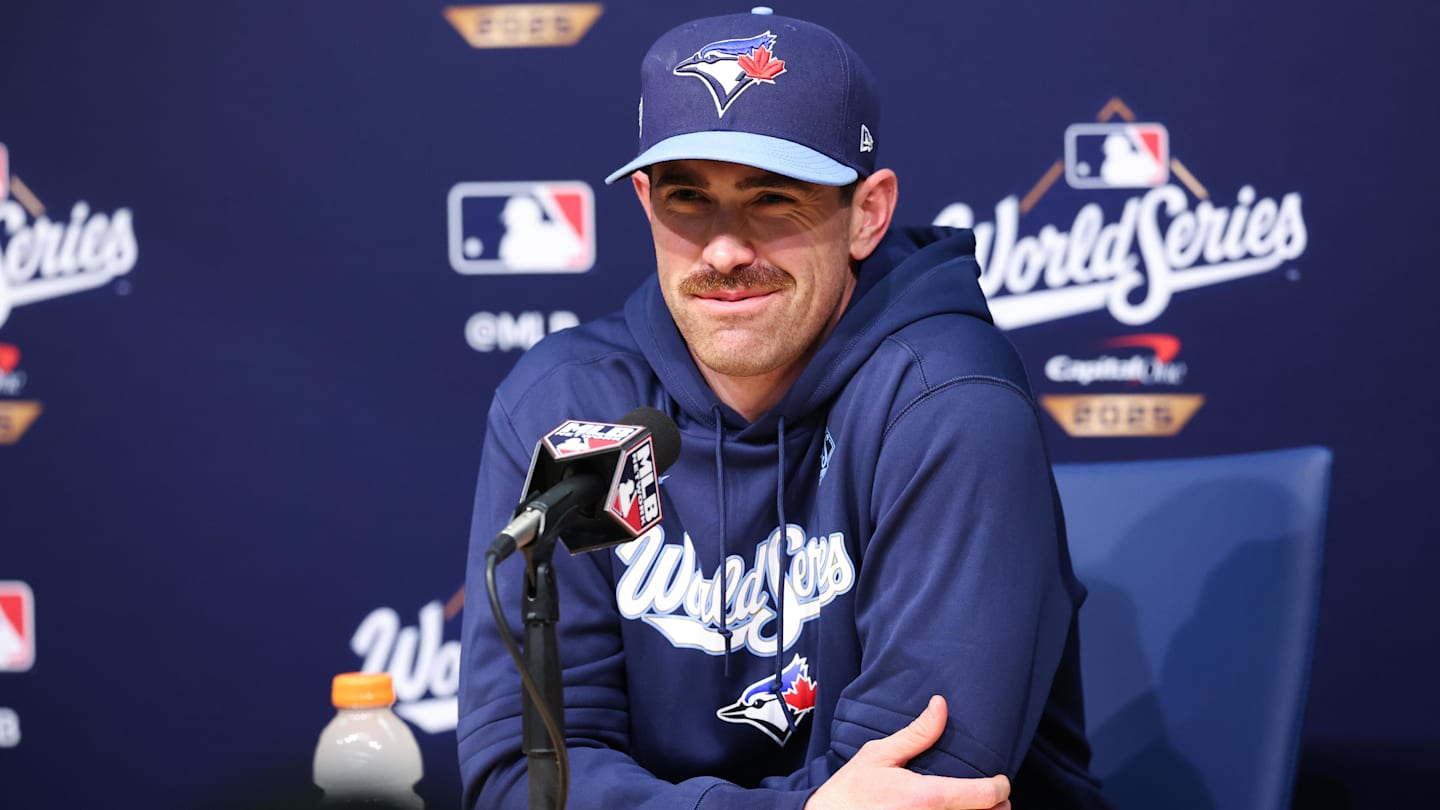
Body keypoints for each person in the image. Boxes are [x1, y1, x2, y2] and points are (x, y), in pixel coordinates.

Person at [458, 8, 1109, 809]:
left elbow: (928, 791)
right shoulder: (567, 404)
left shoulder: (948, 402)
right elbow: (524, 776)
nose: (725, 250)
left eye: (772, 198)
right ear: (645, 202)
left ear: (867, 213)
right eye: (688, 197)